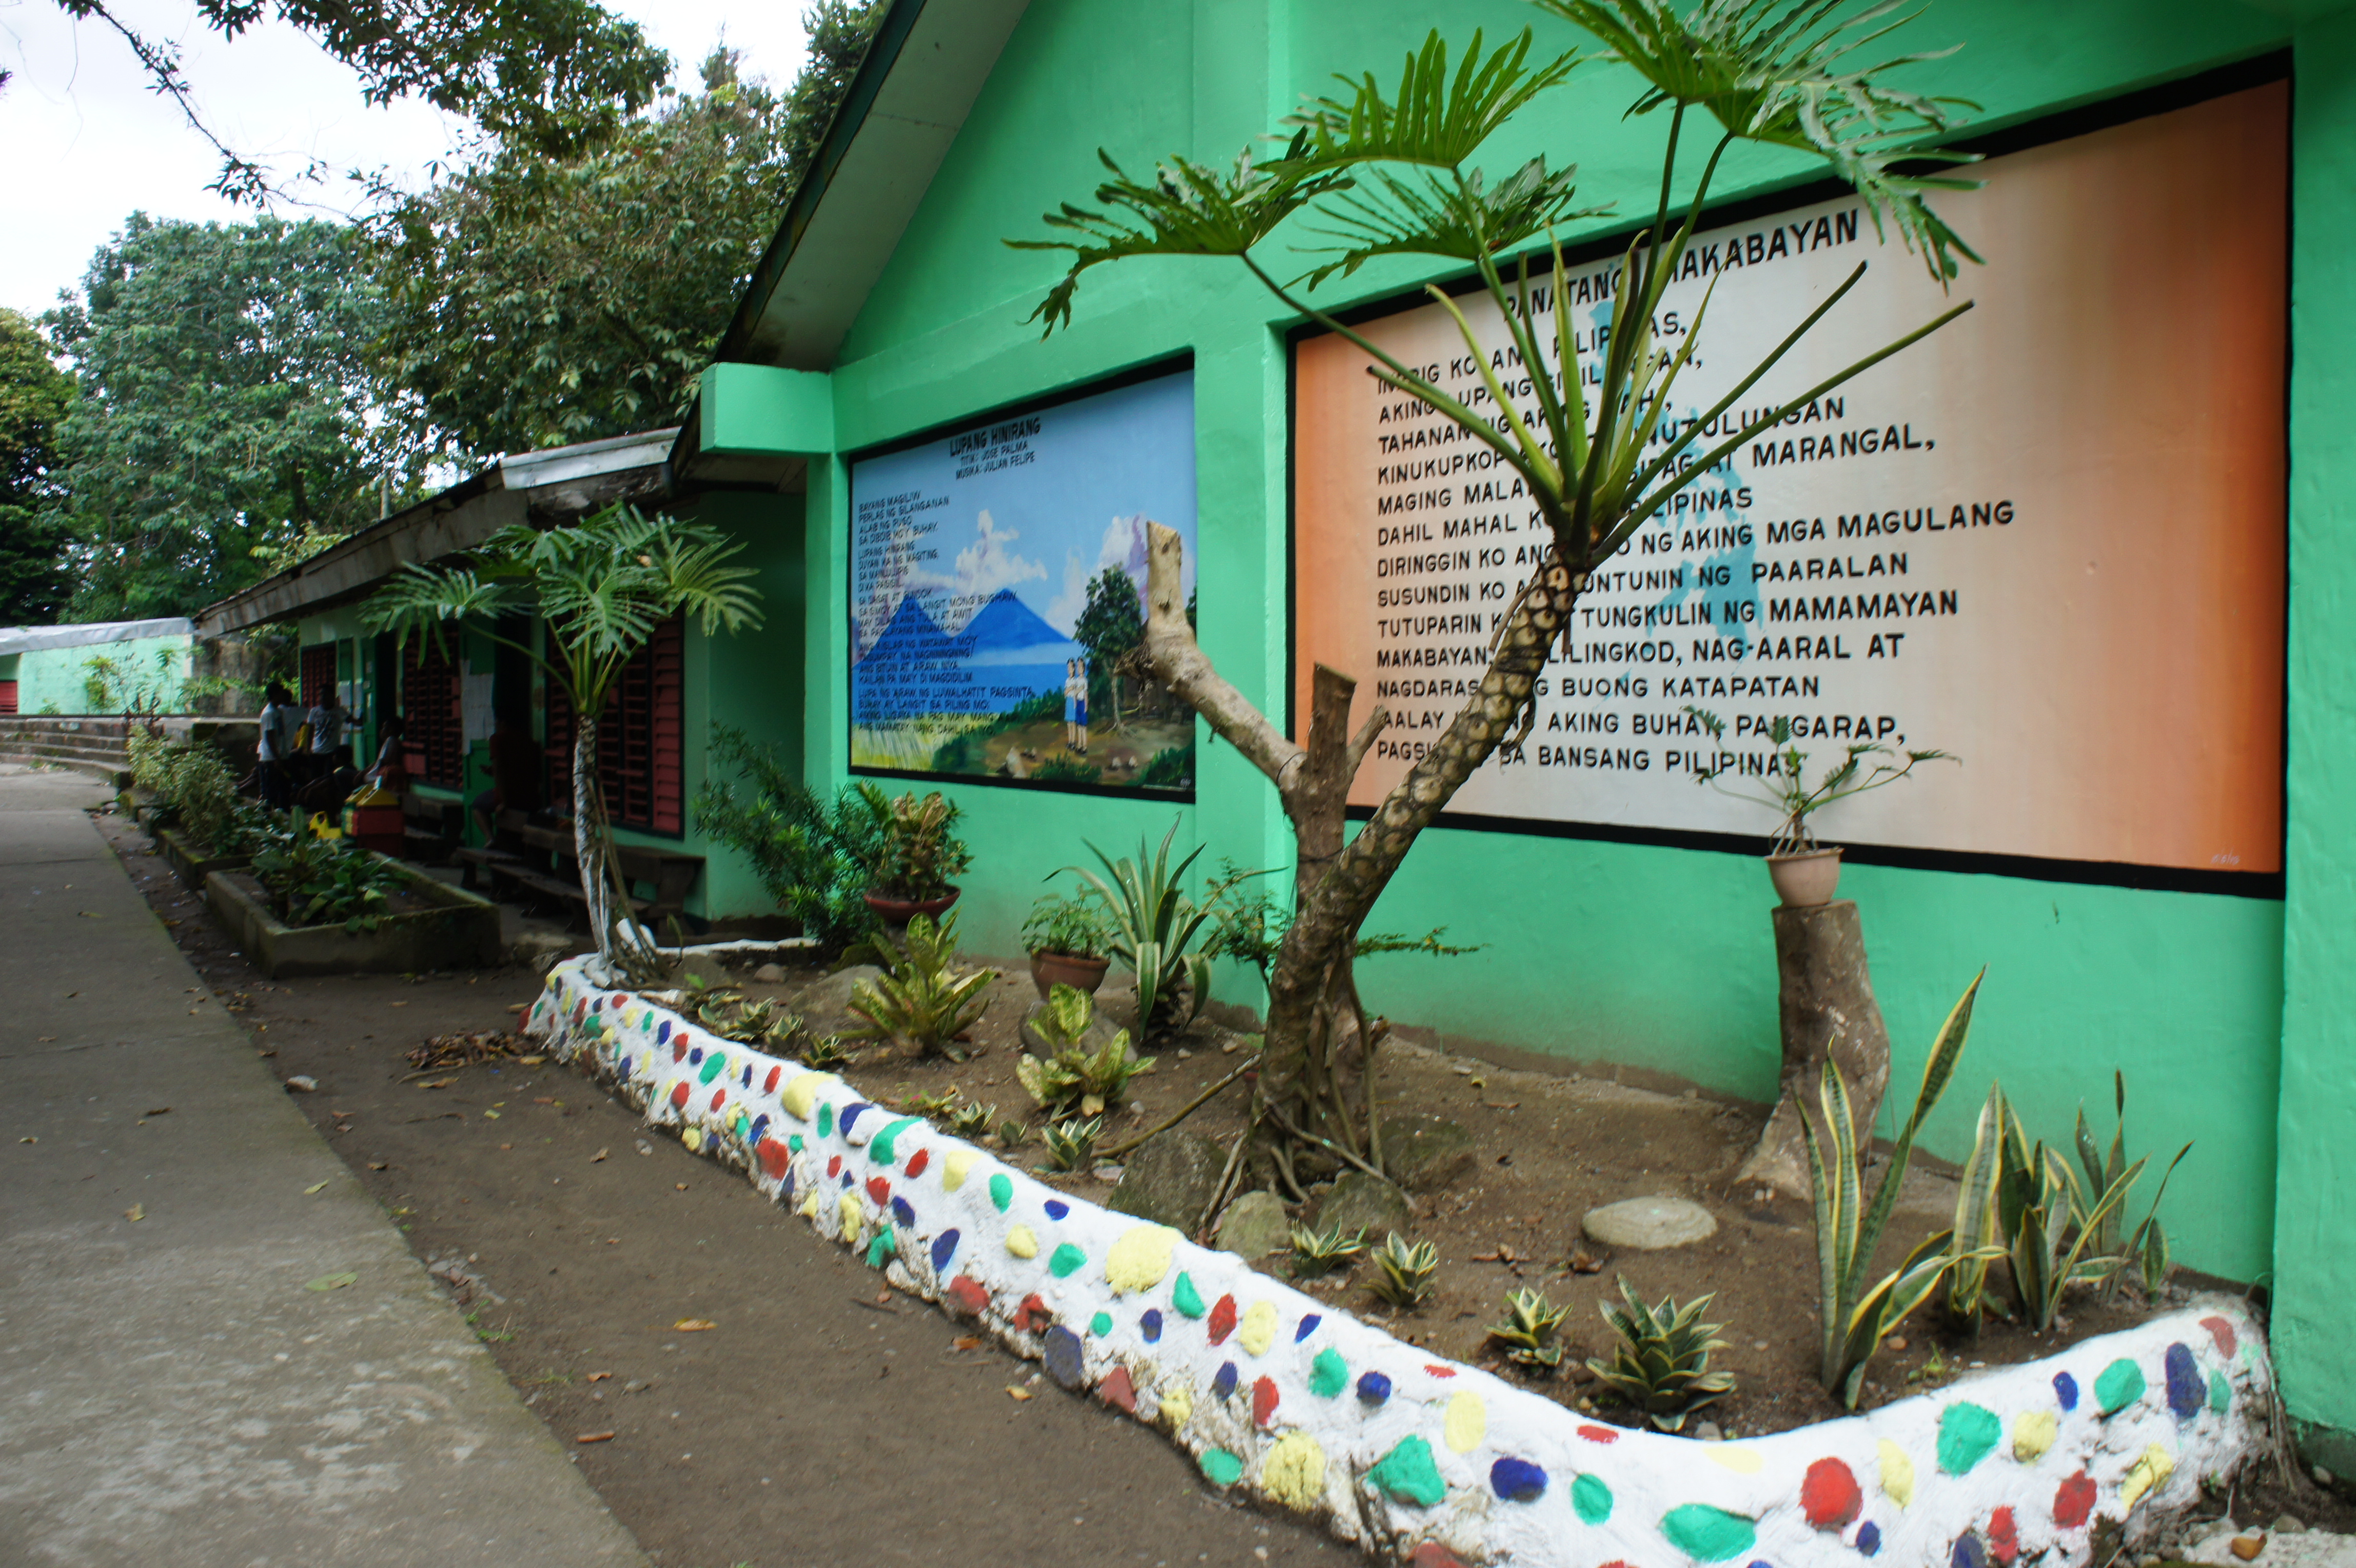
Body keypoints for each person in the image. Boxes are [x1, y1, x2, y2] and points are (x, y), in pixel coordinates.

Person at [472, 712, 539, 842]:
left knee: (478, 804)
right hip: (530, 794)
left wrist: (504, 802)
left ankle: (490, 838)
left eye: (496, 722)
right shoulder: (528, 740)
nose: (495, 725)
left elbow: (500, 773)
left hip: (510, 795)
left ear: (503, 723)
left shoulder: (498, 739)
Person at [255, 682, 296, 808]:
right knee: (272, 791)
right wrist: (277, 758)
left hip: (280, 756)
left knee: (284, 788)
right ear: (275, 694)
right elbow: (270, 737)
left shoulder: (277, 711)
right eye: (281, 693)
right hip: (272, 758)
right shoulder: (269, 713)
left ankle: (284, 811)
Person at [364, 714, 409, 795]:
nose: (381, 731)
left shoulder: (391, 741)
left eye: (384, 727)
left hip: (378, 779)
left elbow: (384, 761)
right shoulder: (391, 741)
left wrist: (364, 773)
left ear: (391, 730)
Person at [307, 689, 349, 767]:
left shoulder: (339, 711)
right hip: (316, 751)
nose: (323, 697)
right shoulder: (314, 711)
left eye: (325, 695)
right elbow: (310, 731)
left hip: (331, 753)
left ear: (332, 697)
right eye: (321, 695)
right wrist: (308, 749)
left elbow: (352, 720)